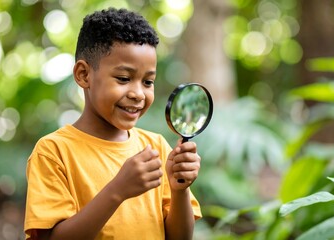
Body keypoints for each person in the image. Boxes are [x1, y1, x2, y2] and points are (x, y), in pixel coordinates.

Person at [24, 7, 202, 240]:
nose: (138, 93)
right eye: (124, 79)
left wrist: (180, 189)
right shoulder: (53, 152)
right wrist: (117, 191)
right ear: (83, 75)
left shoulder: (155, 148)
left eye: (148, 81)